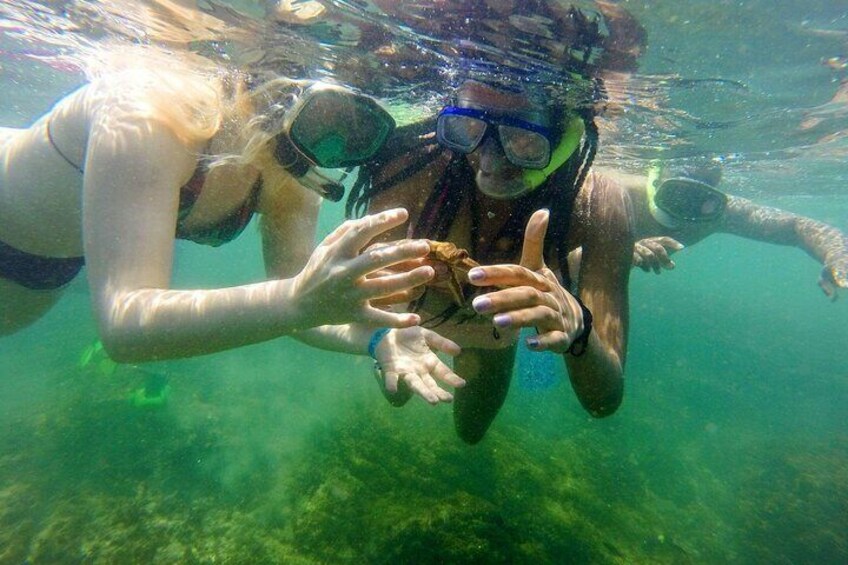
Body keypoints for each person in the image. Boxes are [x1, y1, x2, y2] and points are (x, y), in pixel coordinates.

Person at [0, 48, 439, 364]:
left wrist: (374, 337)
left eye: (359, 137)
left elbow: (304, 306)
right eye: (326, 118)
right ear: (280, 92)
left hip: (44, 270)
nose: (330, 148)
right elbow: (125, 326)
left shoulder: (290, 175)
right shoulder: (149, 113)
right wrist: (299, 299)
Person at [597, 161, 848, 299]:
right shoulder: (615, 191)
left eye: (702, 203)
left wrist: (837, 254)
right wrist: (614, 250)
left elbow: (795, 226)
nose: (686, 211)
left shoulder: (718, 214)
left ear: (714, 200)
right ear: (656, 182)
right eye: (677, 195)